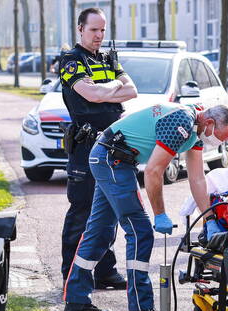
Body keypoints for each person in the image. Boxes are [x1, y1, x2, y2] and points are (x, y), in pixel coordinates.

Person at [62, 103, 228, 311]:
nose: (217, 143)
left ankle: (76, 303)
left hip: (111, 158)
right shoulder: (182, 122)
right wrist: (160, 215)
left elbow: (197, 179)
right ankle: (140, 310)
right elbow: (153, 171)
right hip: (113, 161)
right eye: (220, 137)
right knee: (141, 232)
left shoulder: (196, 130)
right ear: (209, 123)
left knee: (99, 232)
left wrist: (209, 219)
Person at [57, 8, 138, 291]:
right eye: (94, 30)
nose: (99, 36)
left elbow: (132, 91)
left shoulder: (107, 58)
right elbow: (92, 94)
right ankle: (71, 274)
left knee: (108, 211)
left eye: (103, 30)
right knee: (82, 210)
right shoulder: (71, 60)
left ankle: (104, 271)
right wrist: (112, 87)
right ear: (80, 29)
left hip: (111, 146)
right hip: (85, 145)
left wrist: (107, 89)